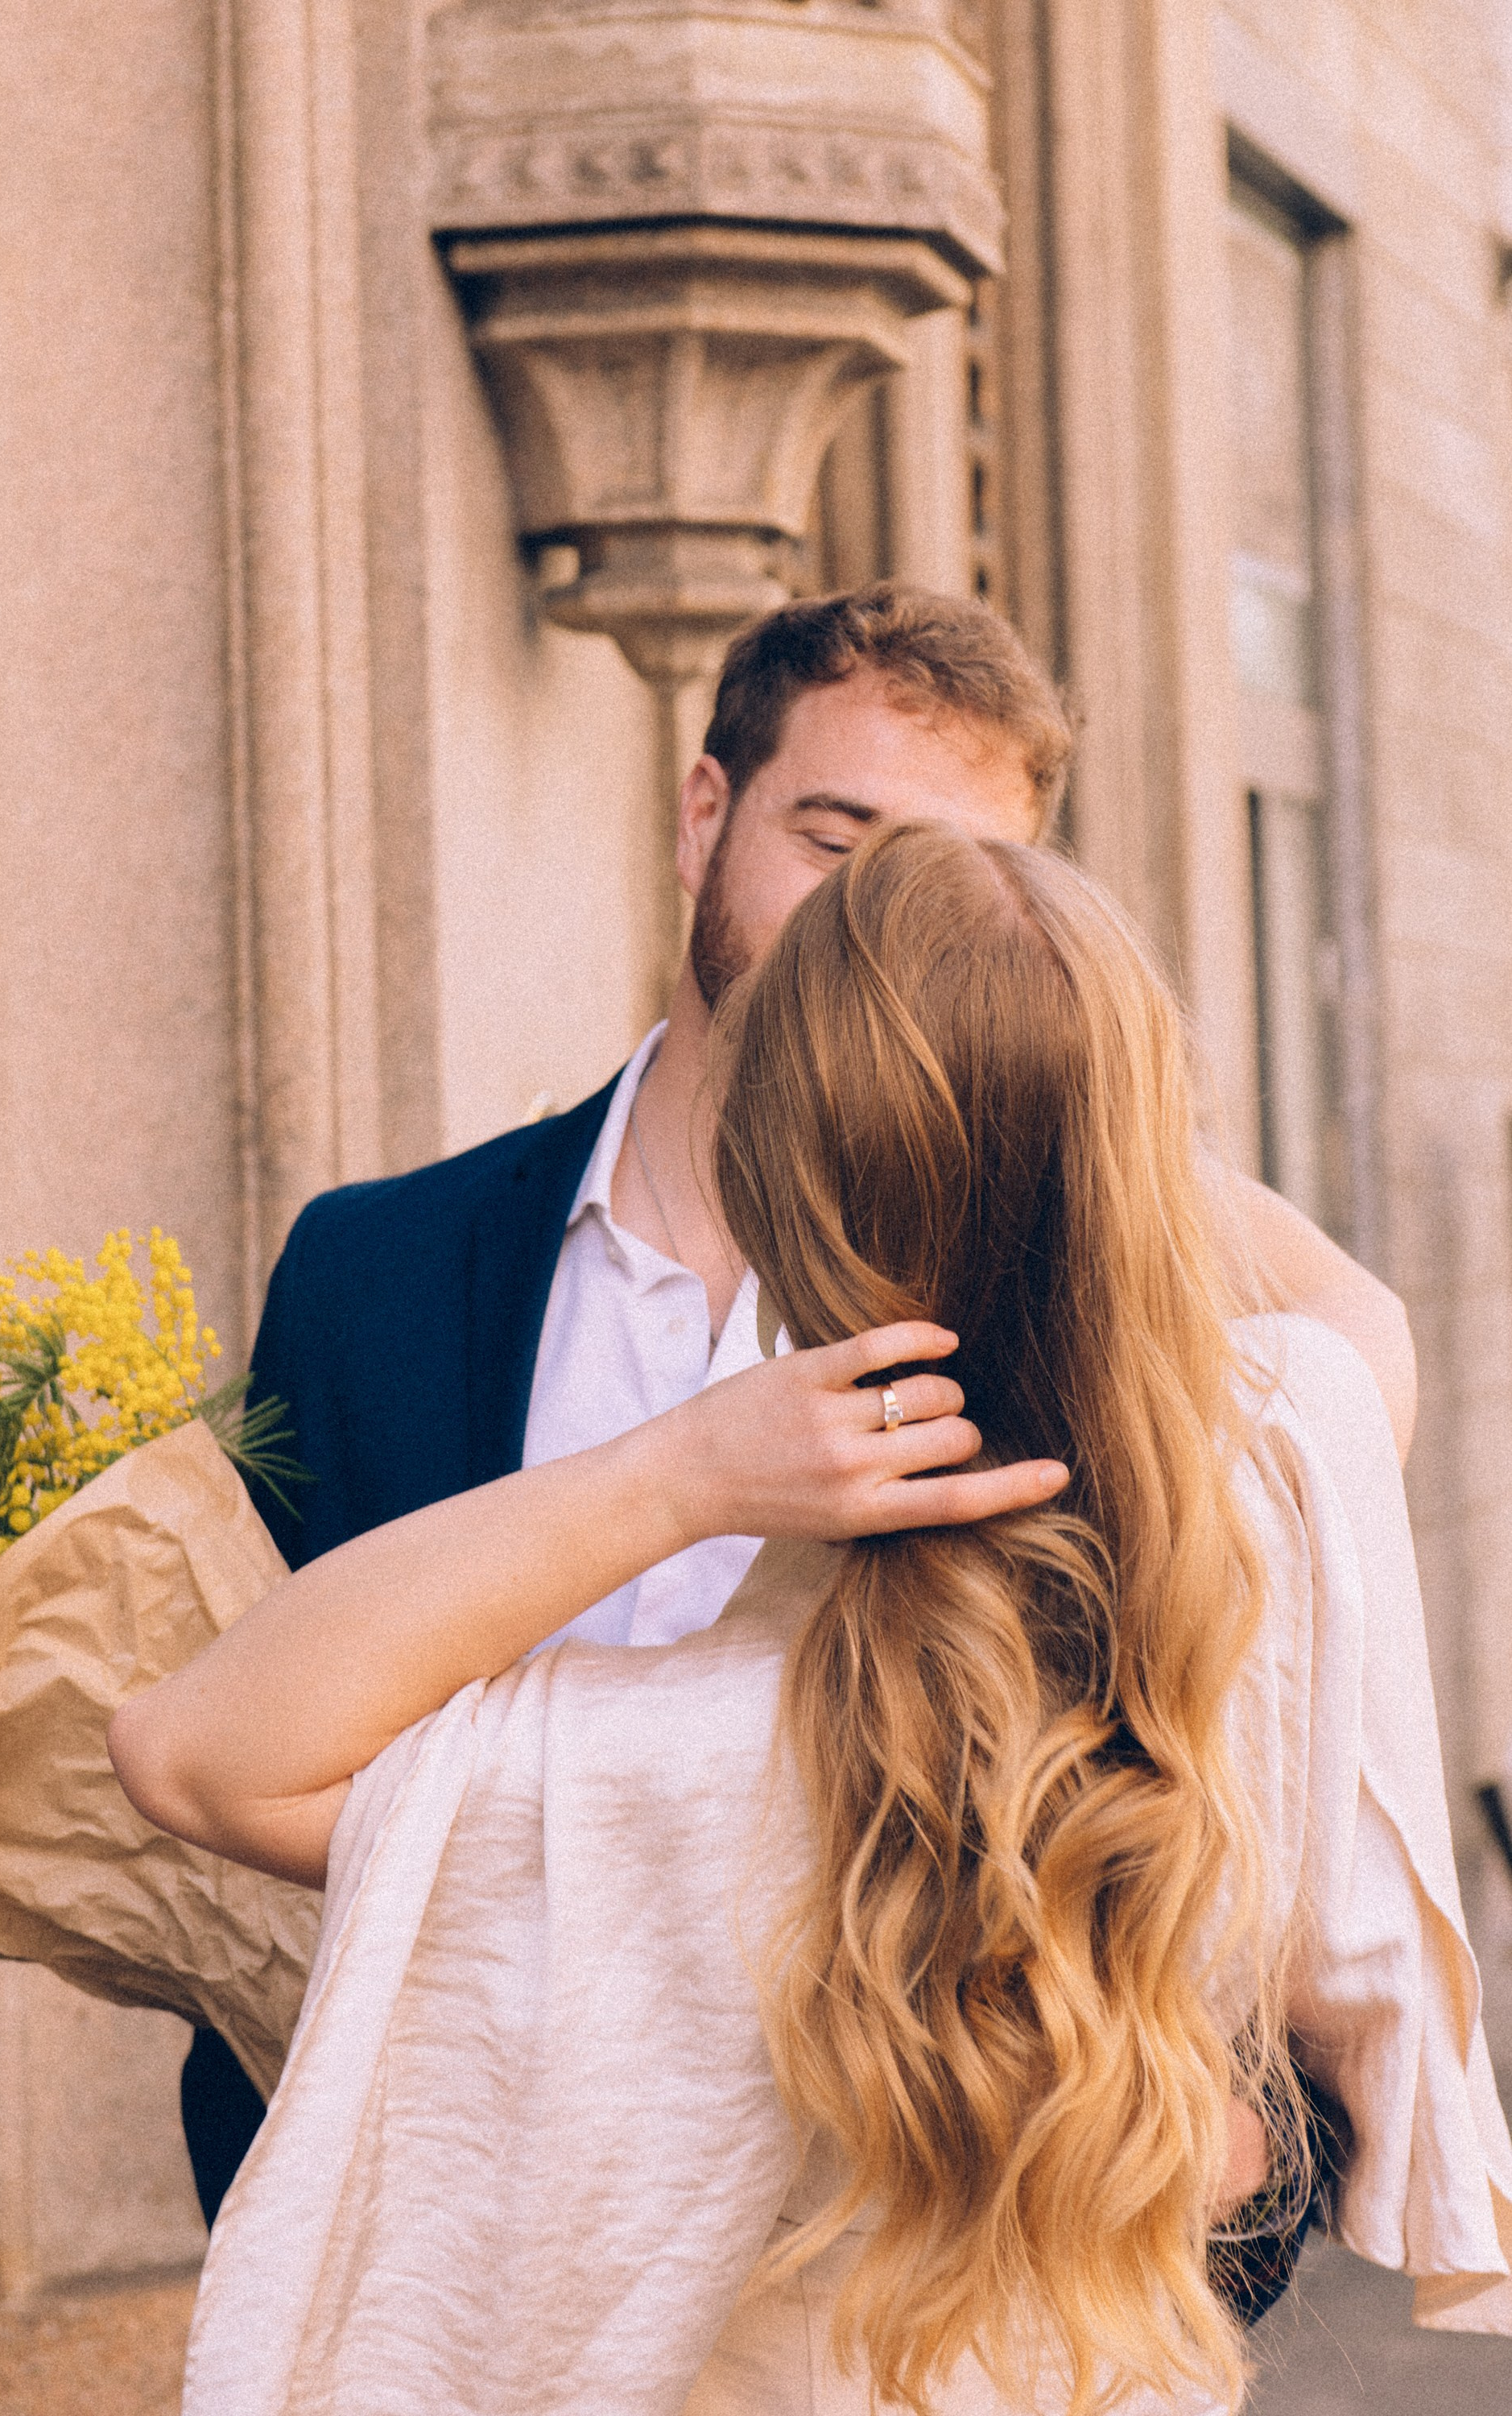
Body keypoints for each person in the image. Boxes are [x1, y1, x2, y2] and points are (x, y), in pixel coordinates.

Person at [114, 825, 1509, 2416]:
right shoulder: (1286, 1512)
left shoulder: (701, 1767)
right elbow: (1352, 1320)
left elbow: (190, 1751)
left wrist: (670, 1476)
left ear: (779, 1191)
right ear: (1142, 1162)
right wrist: (1052, 1100)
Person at [180, 583, 1417, 2215]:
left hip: (962, 2241)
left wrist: (1081, 1136)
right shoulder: (370, 1268)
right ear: (707, 815)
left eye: (939, 897)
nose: (866, 946)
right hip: (465, 2239)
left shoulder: (1080, 1333)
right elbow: (228, 1748)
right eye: (838, 847)